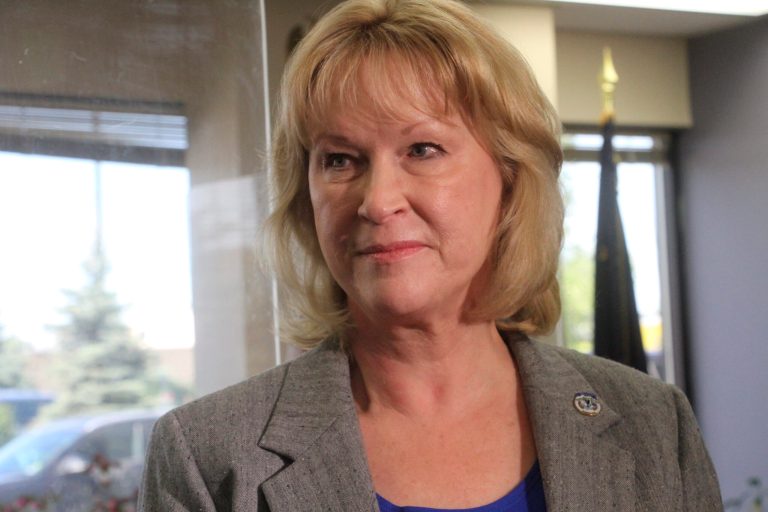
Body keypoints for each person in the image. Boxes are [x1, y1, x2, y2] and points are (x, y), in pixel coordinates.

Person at [138, 0, 722, 510]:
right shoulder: (208, 456)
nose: (377, 200)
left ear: (511, 180)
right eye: (340, 159)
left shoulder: (653, 424)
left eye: (422, 149)